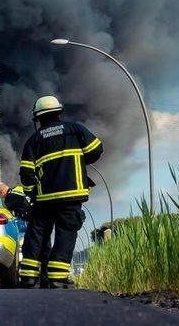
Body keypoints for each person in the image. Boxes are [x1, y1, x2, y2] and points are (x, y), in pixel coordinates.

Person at [18, 95, 103, 289]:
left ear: (37, 118)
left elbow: (26, 174)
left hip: (44, 199)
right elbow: (96, 150)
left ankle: (28, 277)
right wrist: (79, 160)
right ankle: (57, 278)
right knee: (66, 233)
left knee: (37, 235)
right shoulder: (76, 129)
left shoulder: (33, 140)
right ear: (59, 112)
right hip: (72, 195)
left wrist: (32, 195)